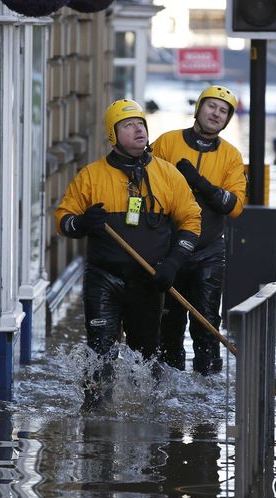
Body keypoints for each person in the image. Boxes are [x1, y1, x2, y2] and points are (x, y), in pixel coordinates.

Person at [56, 99, 202, 410]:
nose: (138, 129)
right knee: (100, 353)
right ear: (113, 135)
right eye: (128, 125)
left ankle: (144, 421)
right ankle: (96, 420)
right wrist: (82, 222)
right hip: (103, 279)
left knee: (146, 359)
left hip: (150, 280)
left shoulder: (169, 175)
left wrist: (174, 263)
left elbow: (192, 222)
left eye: (141, 124)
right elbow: (64, 221)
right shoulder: (91, 176)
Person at [152, 85, 247, 376]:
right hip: (168, 249)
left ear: (228, 119)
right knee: (168, 324)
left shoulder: (231, 156)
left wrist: (199, 182)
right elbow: (143, 183)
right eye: (211, 107)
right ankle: (170, 389)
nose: (216, 114)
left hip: (208, 251)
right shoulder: (167, 143)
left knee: (206, 323)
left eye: (223, 111)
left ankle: (206, 391)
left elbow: (233, 205)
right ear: (199, 108)